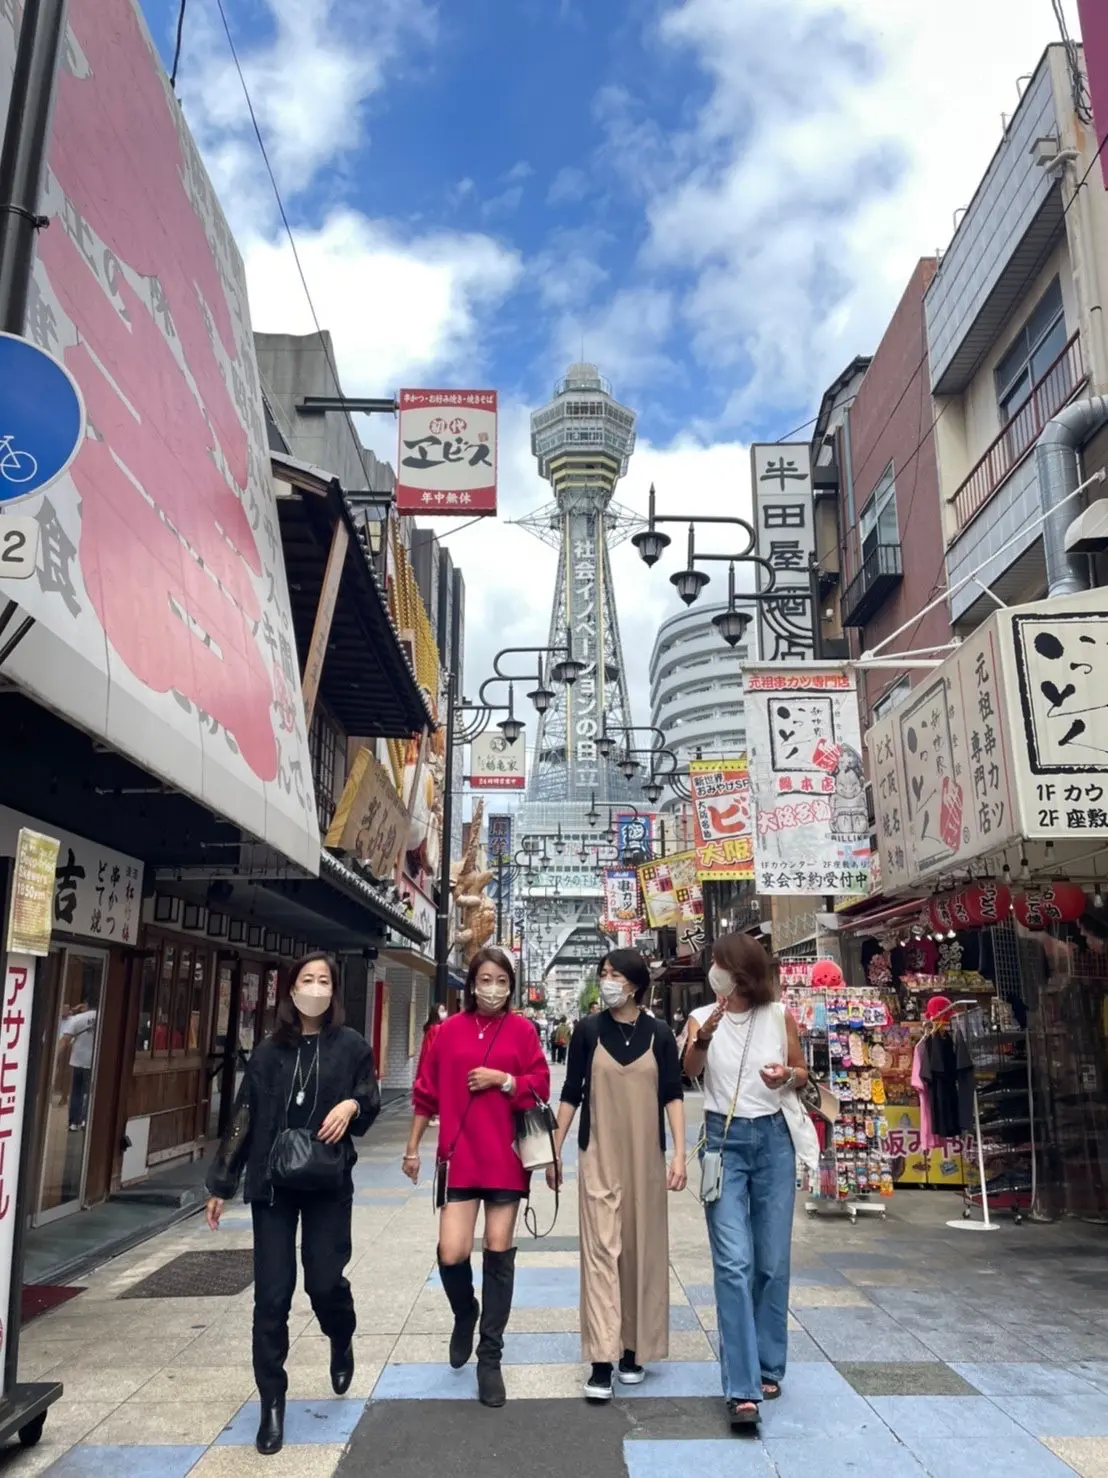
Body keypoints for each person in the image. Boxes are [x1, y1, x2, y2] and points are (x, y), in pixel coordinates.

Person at [204, 953, 380, 1456]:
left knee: (324, 1282)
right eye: (308, 979)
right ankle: (272, 1403)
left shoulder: (352, 1047)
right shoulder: (267, 1052)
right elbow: (243, 1118)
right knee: (272, 1297)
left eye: (325, 980)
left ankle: (340, 1334)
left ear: (334, 991)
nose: (316, 988)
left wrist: (351, 1103)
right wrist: (221, 1183)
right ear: (291, 988)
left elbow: (369, 1099)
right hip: (272, 1187)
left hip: (327, 1183)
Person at [683, 932, 818, 1430]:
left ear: (743, 972)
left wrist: (786, 1075)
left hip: (774, 1140)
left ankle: (768, 1364)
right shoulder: (700, 1018)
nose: (714, 970)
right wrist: (704, 1035)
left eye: (722, 963)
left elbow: (804, 1073)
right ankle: (741, 1388)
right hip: (723, 1142)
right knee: (734, 1261)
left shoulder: (777, 1015)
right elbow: (688, 1071)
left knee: (772, 1260)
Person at [405, 946, 550, 1408]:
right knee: (451, 1252)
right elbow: (426, 1093)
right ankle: (465, 1311)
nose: (493, 989)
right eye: (485, 979)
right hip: (459, 1155)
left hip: (505, 1156)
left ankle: (490, 1359)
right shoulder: (446, 1033)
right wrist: (412, 1148)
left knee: (498, 1250)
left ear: (511, 986)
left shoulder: (523, 1030)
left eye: (501, 981)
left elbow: (541, 1084)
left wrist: (504, 1080)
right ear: (471, 983)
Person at [552, 949, 686, 1402]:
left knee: (640, 1251)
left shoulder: (661, 1034)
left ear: (634, 983)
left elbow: (672, 1094)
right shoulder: (588, 1032)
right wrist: (554, 1145)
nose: (607, 981)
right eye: (603, 974)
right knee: (600, 1252)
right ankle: (601, 1359)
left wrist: (680, 1155)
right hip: (599, 1154)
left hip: (646, 1158)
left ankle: (634, 1349)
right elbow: (571, 1092)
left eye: (614, 975)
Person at [59, 1003, 97, 1130]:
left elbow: (66, 1039)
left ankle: (73, 1122)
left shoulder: (78, 1019)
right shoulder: (104, 1018)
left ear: (86, 1005)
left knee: (76, 1091)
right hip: (93, 1061)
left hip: (77, 1059)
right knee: (89, 1092)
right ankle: (85, 1120)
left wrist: (59, 1054)